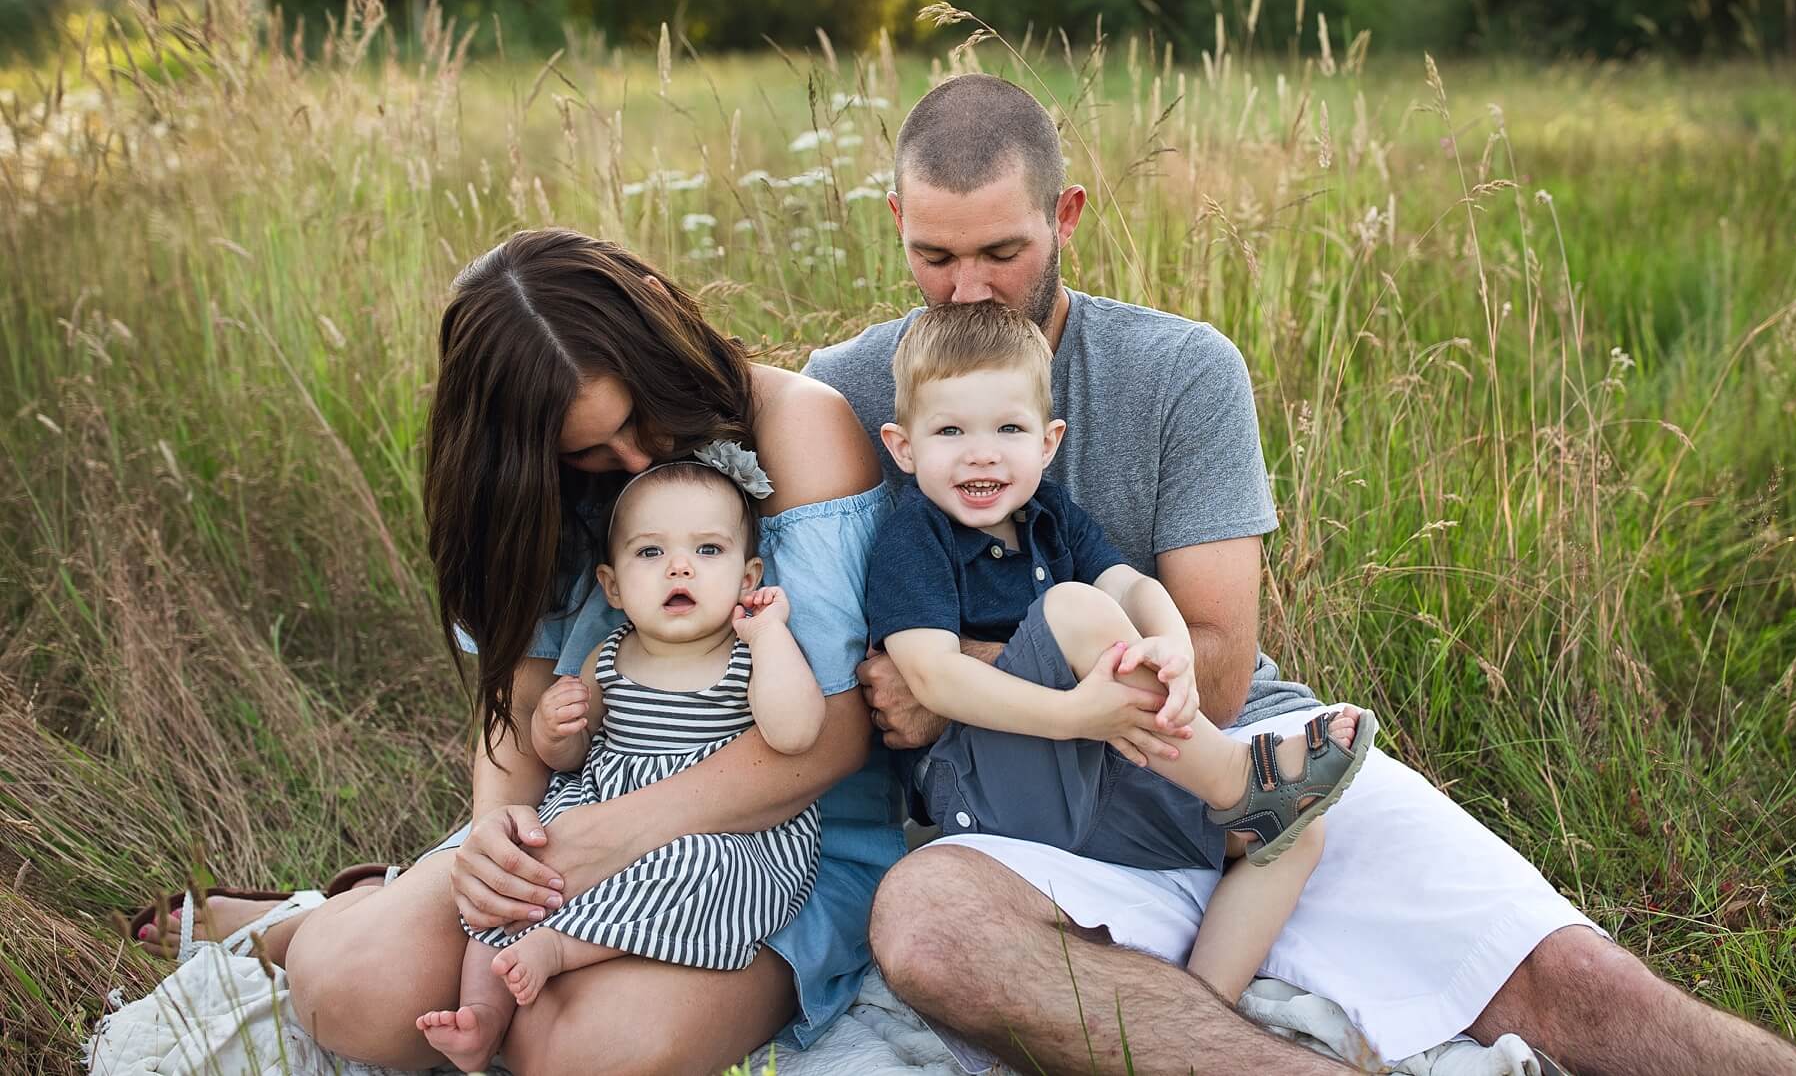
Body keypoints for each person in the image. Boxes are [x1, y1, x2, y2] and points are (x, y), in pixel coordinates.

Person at [805, 73, 1796, 1076]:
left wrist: (955, 673)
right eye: (932, 255)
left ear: (1066, 212)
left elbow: (1207, 670)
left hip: (1235, 753)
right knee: (927, 928)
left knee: (1578, 984)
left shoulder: (1178, 370)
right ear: (894, 218)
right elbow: (844, 688)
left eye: (1001, 250)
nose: (969, 287)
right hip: (1024, 829)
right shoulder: (845, 393)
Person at [142, 228, 901, 1074]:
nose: (638, 459)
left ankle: (369, 900)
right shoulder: (543, 484)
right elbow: (524, 688)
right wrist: (500, 830)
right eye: (589, 452)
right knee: (356, 995)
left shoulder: (798, 424)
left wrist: (607, 837)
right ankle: (311, 919)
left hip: (773, 836)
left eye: (638, 418)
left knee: (581, 1050)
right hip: (585, 801)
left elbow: (833, 736)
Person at [866, 298, 1375, 1003]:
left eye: (1008, 428)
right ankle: (1233, 772)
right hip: (978, 786)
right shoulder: (914, 535)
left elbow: (1132, 584)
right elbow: (931, 675)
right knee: (1074, 607)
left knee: (1292, 833)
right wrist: (1077, 714)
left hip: (1086, 773)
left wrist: (1171, 649)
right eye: (950, 429)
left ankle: (1204, 1012)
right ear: (905, 446)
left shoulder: (1051, 516)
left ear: (1047, 443)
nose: (981, 451)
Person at [419, 456, 828, 1071]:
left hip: (720, 829)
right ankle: (484, 1012)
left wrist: (769, 635)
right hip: (605, 804)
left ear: (750, 577)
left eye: (709, 550)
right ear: (612, 586)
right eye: (649, 553)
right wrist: (553, 729)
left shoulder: (752, 655)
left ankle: (558, 948)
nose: (680, 567)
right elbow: (574, 757)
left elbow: (796, 733)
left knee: (688, 867)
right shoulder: (608, 657)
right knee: (519, 870)